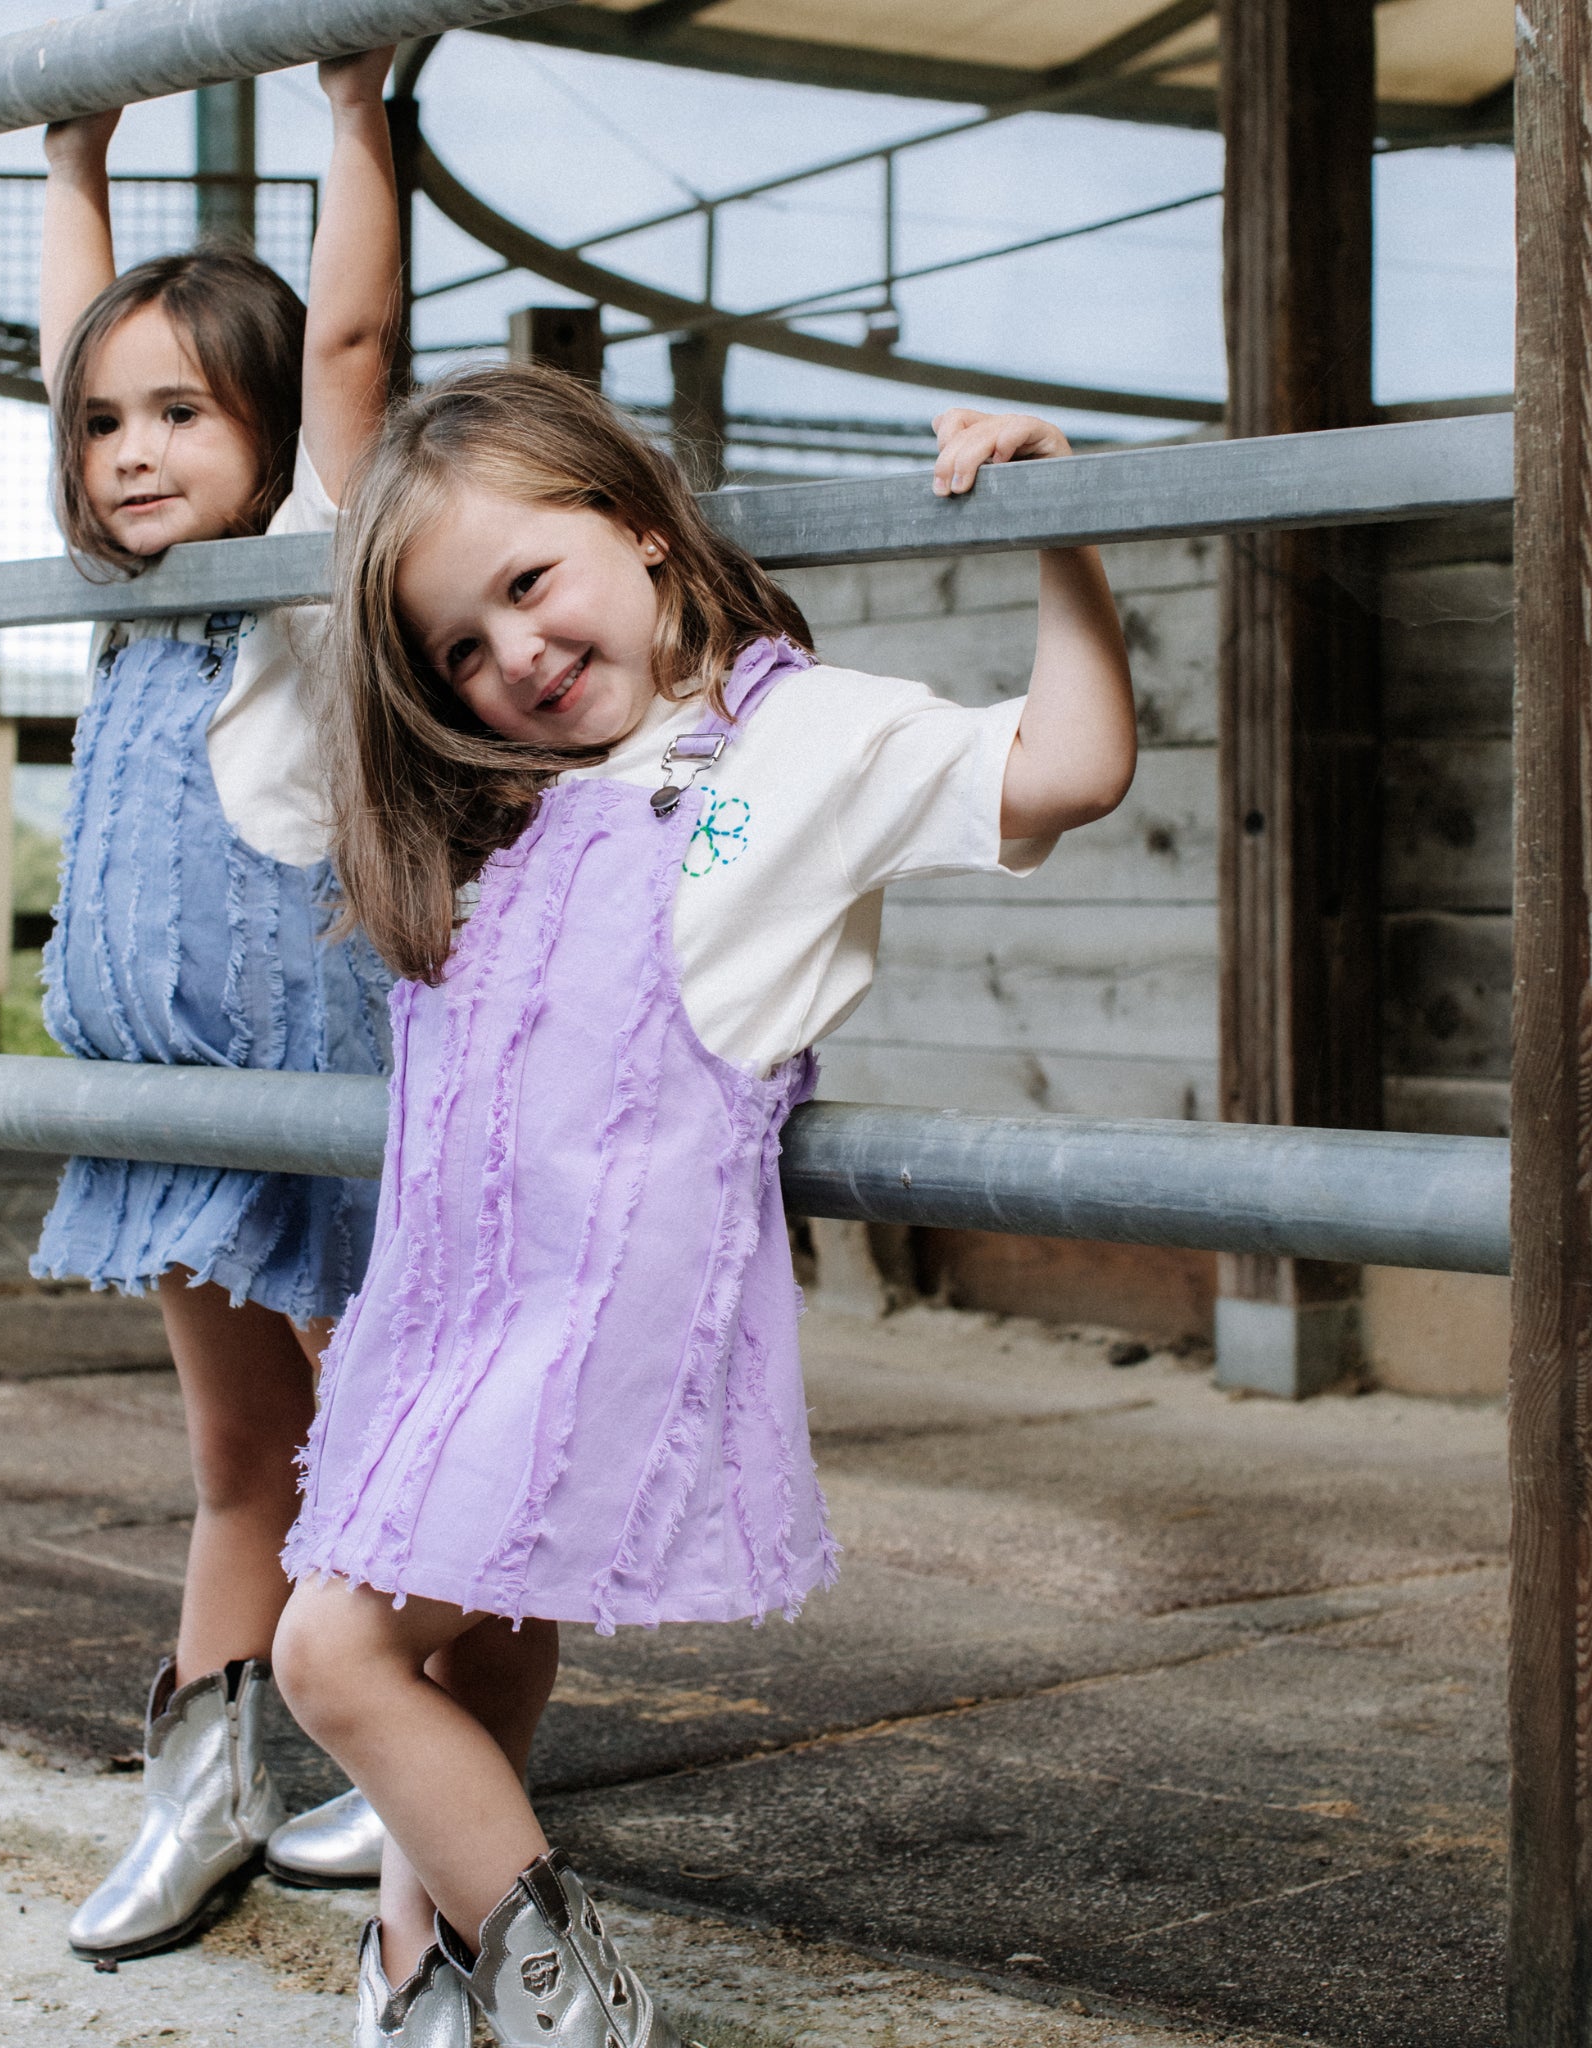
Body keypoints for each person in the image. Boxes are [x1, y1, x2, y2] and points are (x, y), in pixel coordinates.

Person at [271, 364, 1135, 2046]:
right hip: (450, 1310)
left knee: (330, 1656)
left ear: (652, 537)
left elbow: (1066, 770)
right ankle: (418, 1969)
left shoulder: (796, 741)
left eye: (529, 584)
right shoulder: (508, 802)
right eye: (460, 644)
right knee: (482, 1627)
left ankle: (569, 2002)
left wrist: (1067, 522)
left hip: (598, 1316)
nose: (510, 654)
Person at [31, 53, 397, 1966]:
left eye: (184, 410)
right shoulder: (124, 605)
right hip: (169, 1105)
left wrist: (354, 117)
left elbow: (350, 340)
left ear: (274, 436)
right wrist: (72, 150)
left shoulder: (311, 586)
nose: (134, 448)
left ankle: (403, 1744)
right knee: (237, 1460)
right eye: (109, 425)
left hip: (310, 1096)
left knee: (378, 1440)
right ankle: (206, 1773)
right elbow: (67, 348)